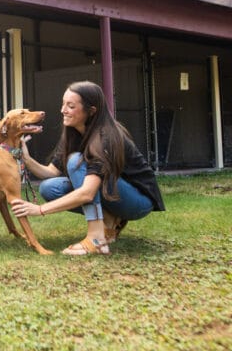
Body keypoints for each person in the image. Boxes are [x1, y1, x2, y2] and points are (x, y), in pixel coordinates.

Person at [11, 80, 165, 255]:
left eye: (71, 106)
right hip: (112, 193)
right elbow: (51, 172)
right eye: (63, 104)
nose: (63, 110)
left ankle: (96, 239)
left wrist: (39, 210)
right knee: (49, 188)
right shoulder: (73, 132)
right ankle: (109, 221)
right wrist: (27, 158)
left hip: (138, 201)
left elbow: (87, 193)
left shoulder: (105, 136)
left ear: (91, 111)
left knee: (75, 162)